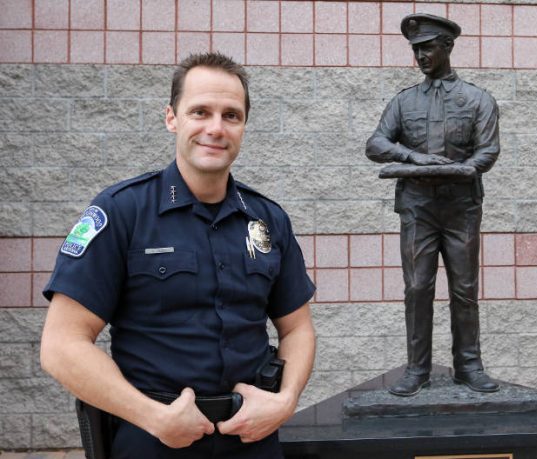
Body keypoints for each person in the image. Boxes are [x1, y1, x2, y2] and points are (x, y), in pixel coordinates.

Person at [40, 52, 316, 458]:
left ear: (243, 126)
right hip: (154, 439)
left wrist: (285, 400)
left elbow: (297, 329)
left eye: (231, 115)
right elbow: (61, 345)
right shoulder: (122, 212)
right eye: (200, 112)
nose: (216, 128)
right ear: (172, 118)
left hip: (253, 439)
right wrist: (152, 416)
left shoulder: (268, 219)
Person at [366, 14, 500, 397]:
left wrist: (463, 169)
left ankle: (468, 366)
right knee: (417, 287)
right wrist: (414, 158)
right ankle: (417, 369)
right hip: (418, 207)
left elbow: (488, 149)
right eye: (415, 49)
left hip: (461, 208)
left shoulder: (478, 99)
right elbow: (375, 144)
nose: (420, 56)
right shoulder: (404, 101)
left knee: (464, 288)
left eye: (427, 48)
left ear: (447, 47)